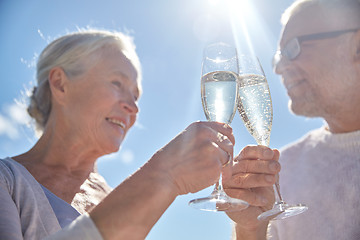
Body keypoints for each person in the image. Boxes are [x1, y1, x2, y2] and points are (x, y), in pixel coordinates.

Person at [0, 28, 281, 240]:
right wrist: (164, 174)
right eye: (116, 83)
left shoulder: (115, 200)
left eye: (136, 95)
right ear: (60, 84)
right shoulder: (7, 182)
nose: (133, 107)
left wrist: (250, 230)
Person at [229, 0, 360, 239]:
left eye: (292, 49)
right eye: (278, 58)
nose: (279, 69)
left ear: (357, 47)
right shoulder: (283, 171)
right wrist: (250, 229)